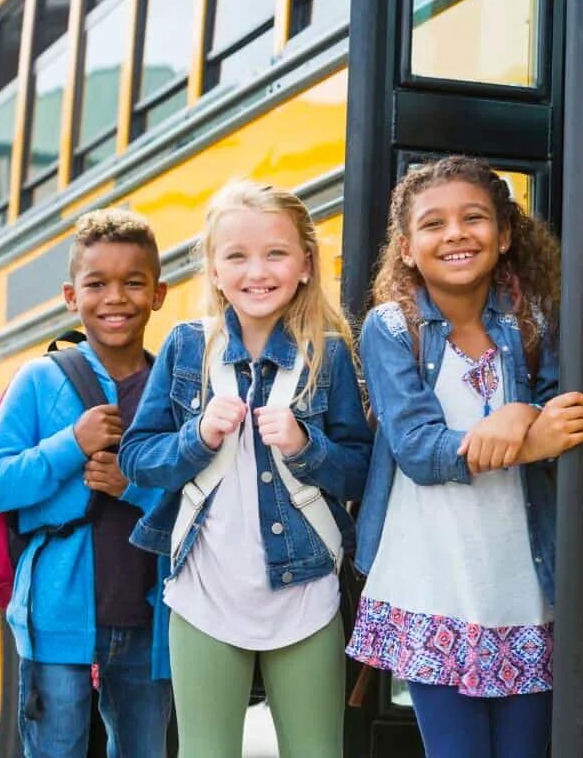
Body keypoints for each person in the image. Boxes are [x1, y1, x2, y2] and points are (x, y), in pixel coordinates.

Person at [346, 156, 583, 758]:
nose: (456, 233)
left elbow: (567, 419)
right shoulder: (391, 326)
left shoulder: (534, 322)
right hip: (432, 581)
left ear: (505, 234)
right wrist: (523, 432)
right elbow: (418, 451)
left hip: (521, 581)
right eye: (433, 224)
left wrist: (524, 418)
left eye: (474, 218)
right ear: (406, 248)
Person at [120, 181, 373, 758]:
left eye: (275, 254)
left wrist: (308, 445)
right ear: (212, 268)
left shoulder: (329, 355)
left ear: (306, 264)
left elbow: (360, 472)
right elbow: (137, 460)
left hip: (305, 593)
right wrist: (198, 436)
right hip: (205, 594)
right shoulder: (187, 350)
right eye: (236, 255)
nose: (256, 271)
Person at [0, 210, 173, 758]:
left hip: (152, 622)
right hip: (56, 618)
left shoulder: (174, 385)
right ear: (69, 295)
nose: (116, 298)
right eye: (96, 284)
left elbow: (201, 501)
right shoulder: (40, 380)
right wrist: (71, 445)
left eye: (134, 283)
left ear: (158, 294)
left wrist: (133, 486)